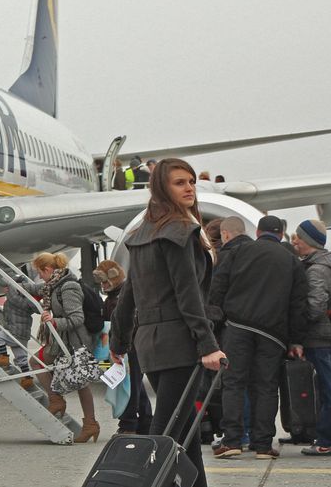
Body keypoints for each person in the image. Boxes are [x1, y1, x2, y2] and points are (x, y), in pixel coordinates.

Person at [111, 158, 227, 487]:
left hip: (150, 344)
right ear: (162, 187)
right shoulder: (180, 232)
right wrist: (208, 345)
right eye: (179, 182)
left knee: (184, 435)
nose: (189, 188)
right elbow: (187, 294)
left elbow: (128, 293)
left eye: (191, 181)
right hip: (179, 344)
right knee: (165, 437)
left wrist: (119, 340)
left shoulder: (141, 233)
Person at [206, 216, 307, 459]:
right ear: (281, 235)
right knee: (266, 387)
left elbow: (218, 287)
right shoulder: (291, 260)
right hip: (273, 334)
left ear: (258, 232)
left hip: (237, 327)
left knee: (233, 383)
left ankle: (232, 441)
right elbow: (298, 303)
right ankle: (263, 445)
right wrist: (295, 340)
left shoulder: (238, 251)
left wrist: (216, 324)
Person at [24, 252, 101, 442]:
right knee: (81, 382)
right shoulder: (54, 285)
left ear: (48, 269)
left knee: (37, 362)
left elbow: (77, 318)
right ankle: (89, 423)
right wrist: (14, 284)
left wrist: (54, 321)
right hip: (63, 341)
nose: (39, 277)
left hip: (74, 341)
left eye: (40, 273)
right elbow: (36, 288)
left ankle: (57, 400)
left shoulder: (68, 287)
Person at [290, 219, 331, 456]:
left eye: (298, 237)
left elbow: (315, 307)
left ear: (308, 241)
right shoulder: (328, 265)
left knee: (330, 390)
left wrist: (299, 324)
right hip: (328, 337)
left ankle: (327, 440)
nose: (294, 241)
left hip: (320, 339)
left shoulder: (317, 270)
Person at [94, 260, 153, 434]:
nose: (103, 286)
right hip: (126, 348)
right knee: (135, 385)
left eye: (105, 282)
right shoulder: (115, 298)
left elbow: (124, 324)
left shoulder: (120, 299)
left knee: (129, 386)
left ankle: (129, 424)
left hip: (126, 349)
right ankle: (145, 422)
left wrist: (119, 348)